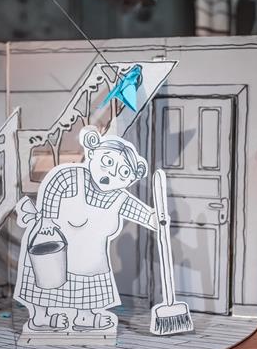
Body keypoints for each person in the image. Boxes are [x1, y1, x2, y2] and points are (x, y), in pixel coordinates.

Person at [16, 126, 157, 332]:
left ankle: (85, 317)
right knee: (46, 281)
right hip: (54, 247)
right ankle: (40, 317)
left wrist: (157, 220)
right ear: (92, 152)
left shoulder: (119, 198)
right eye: (108, 162)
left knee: (87, 289)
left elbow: (141, 213)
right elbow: (54, 187)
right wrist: (47, 219)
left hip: (89, 257)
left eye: (124, 172)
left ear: (130, 179)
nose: (111, 173)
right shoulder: (74, 177)